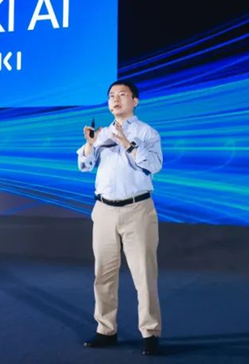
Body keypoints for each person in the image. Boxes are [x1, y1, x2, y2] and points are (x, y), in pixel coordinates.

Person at [77, 80, 163, 356]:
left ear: (135, 100)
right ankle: (106, 330)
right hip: (104, 210)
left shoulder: (147, 132)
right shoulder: (102, 133)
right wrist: (89, 145)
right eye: (111, 96)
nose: (115, 99)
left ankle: (150, 333)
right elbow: (84, 166)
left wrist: (127, 143)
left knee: (144, 275)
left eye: (122, 94)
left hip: (137, 210)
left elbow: (155, 165)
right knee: (103, 274)